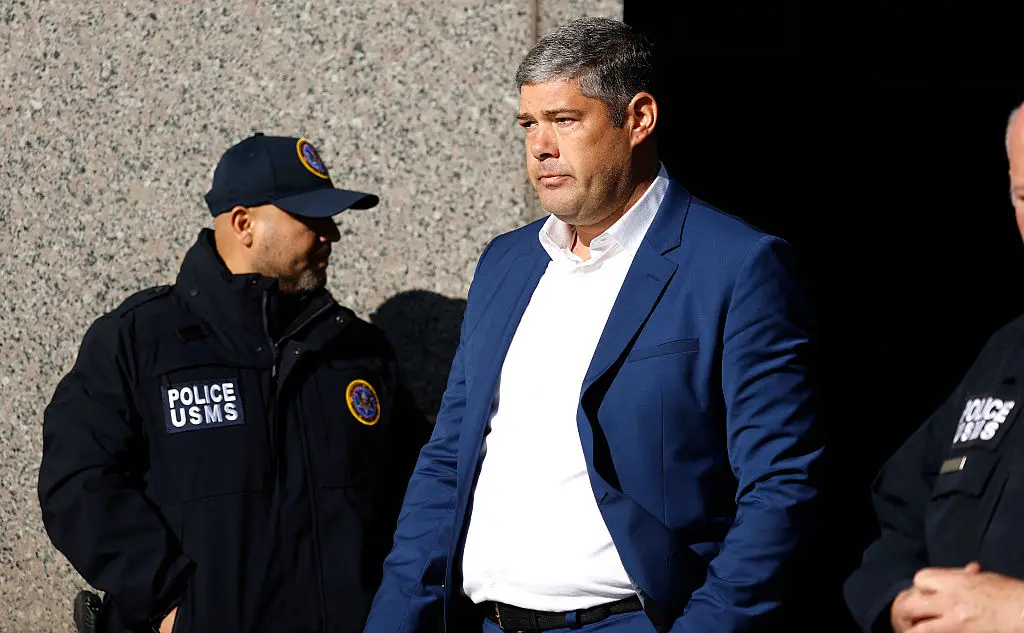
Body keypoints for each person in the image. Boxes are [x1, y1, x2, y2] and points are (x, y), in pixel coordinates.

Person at [363, 17, 823, 633]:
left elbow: (782, 486)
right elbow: (449, 461)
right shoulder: (507, 262)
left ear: (638, 119)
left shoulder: (736, 265)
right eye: (528, 123)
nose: (540, 146)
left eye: (566, 120)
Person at [37, 133, 431, 633]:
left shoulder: (359, 352)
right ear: (245, 224)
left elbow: (418, 496)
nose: (331, 234)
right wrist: (170, 606)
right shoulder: (138, 340)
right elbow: (77, 484)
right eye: (311, 217)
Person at [844, 102, 1024, 633]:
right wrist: (900, 601)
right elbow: (900, 514)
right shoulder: (1004, 353)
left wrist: (1014, 611)